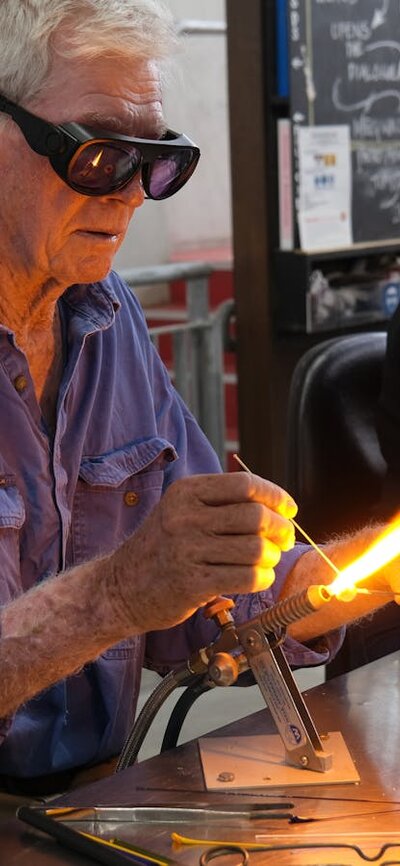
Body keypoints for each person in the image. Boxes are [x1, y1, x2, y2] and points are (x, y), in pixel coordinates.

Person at [0, 0, 398, 799]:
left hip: (93, 794)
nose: (132, 195)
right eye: (98, 155)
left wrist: (371, 567)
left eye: (156, 162)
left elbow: (223, 602)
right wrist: (114, 594)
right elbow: (138, 586)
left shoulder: (105, 319)